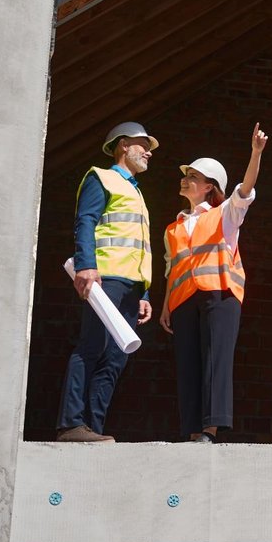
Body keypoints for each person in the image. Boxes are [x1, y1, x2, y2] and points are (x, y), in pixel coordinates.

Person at [161, 122, 268, 443]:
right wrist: (166, 306)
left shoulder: (225, 214)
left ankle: (210, 429)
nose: (185, 179)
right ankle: (192, 431)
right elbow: (172, 268)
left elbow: (245, 190)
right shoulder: (173, 228)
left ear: (209, 186)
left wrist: (256, 153)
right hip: (183, 300)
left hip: (220, 295)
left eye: (193, 176)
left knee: (215, 360)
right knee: (188, 364)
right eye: (186, 175)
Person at [57, 122, 157, 443]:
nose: (149, 152)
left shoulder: (136, 192)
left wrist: (144, 293)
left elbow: (139, 245)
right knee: (92, 347)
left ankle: (92, 429)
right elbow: (85, 221)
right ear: (124, 145)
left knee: (115, 359)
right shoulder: (101, 178)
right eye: (143, 145)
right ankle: (71, 423)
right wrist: (86, 265)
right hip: (106, 277)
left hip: (130, 286)